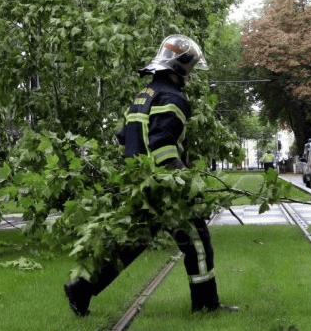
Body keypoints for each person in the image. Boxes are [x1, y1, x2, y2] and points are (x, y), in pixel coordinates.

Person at [63, 35, 237, 316]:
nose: (189, 77)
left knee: (129, 244)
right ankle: (207, 306)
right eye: (188, 71)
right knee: (197, 240)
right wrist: (186, 184)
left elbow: (123, 137)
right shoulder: (173, 98)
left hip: (140, 184)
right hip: (164, 186)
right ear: (177, 69)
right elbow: (163, 146)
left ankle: (80, 288)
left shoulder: (143, 97)